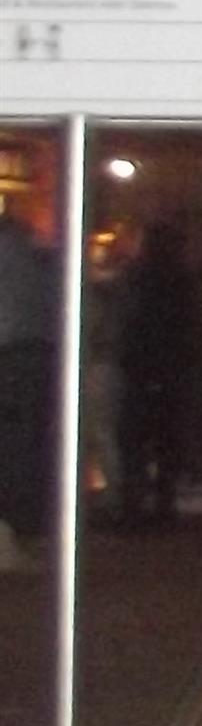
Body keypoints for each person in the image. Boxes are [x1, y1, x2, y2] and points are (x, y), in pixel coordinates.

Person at [113, 215, 202, 528]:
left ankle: (134, 505)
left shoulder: (140, 279)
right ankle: (163, 503)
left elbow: (132, 321)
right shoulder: (182, 281)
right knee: (166, 441)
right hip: (170, 369)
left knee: (134, 440)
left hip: (144, 367)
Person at [0, 209, 50, 558]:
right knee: (32, 438)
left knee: (14, 440)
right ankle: (31, 516)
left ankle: (18, 516)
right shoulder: (37, 260)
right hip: (39, 352)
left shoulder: (8, 258)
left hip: (11, 352)